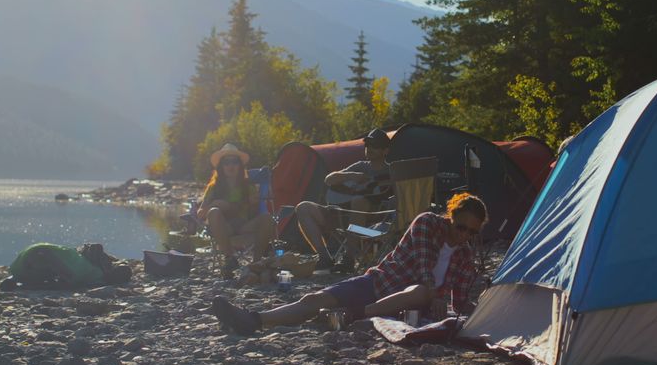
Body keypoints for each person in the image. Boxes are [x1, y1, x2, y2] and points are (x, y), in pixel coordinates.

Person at [210, 192, 487, 335]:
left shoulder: (465, 256)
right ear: (450, 216)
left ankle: (356, 314)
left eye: (472, 232)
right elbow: (426, 264)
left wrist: (488, 312)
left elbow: (460, 299)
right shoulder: (427, 223)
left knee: (421, 292)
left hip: (412, 303)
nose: (464, 235)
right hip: (381, 283)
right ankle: (255, 319)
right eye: (461, 227)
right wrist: (438, 293)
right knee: (315, 297)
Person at [294, 128, 392, 272]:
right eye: (368, 144)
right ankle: (324, 257)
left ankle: (349, 257)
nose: (370, 148)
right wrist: (351, 176)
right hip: (341, 219)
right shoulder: (360, 166)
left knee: (359, 201)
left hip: (369, 228)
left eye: (375, 145)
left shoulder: (392, 171)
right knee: (303, 207)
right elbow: (329, 179)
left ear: (385, 151)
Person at [197, 143, 276, 276]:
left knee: (267, 218)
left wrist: (254, 203)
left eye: (235, 162)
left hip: (244, 225)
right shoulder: (214, 187)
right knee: (214, 212)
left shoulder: (247, 186)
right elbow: (200, 214)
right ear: (221, 167)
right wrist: (215, 204)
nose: (230, 166)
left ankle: (256, 262)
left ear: (240, 166)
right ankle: (230, 259)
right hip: (225, 228)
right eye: (226, 162)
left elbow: (257, 209)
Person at [0, 242, 132, 290]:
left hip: (31, 259)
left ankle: (17, 281)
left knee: (49, 275)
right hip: (37, 255)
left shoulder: (94, 272)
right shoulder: (94, 271)